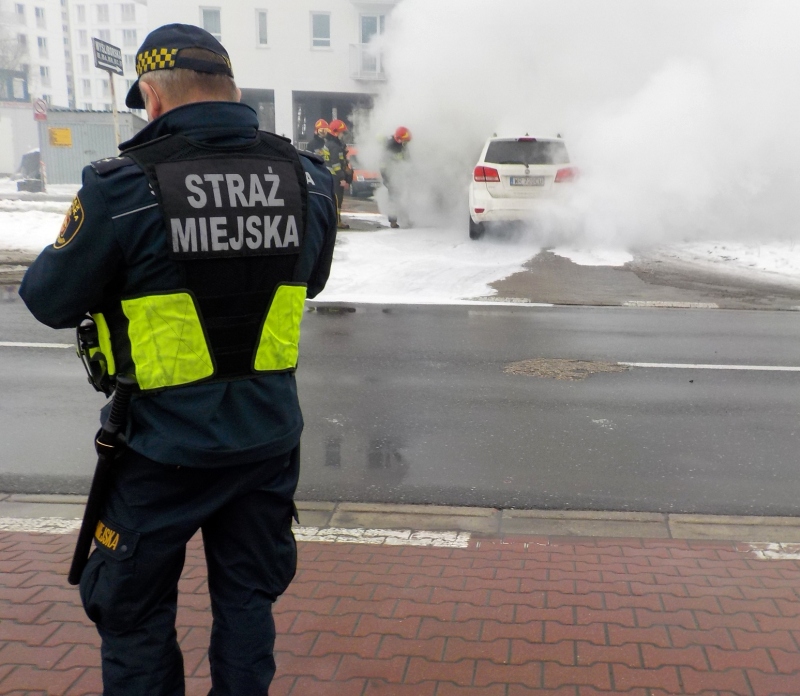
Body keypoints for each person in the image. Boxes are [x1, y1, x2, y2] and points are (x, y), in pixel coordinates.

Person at [18, 23, 337, 696]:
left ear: (153, 97)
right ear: (233, 91)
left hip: (159, 449)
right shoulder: (307, 180)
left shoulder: (122, 188)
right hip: (267, 441)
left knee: (132, 614)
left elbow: (48, 299)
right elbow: (310, 281)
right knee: (248, 605)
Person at [381, 126, 412, 229]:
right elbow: (383, 165)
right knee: (393, 199)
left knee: (403, 197)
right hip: (391, 177)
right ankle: (393, 221)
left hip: (400, 176)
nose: (405, 143)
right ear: (399, 139)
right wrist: (386, 179)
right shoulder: (389, 147)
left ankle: (405, 218)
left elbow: (407, 160)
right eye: (404, 140)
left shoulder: (403, 146)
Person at [324, 120, 349, 229]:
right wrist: (342, 177)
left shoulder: (329, 143)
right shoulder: (334, 146)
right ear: (336, 132)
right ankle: (337, 222)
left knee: (333, 200)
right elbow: (336, 164)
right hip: (335, 176)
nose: (342, 135)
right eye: (341, 132)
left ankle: (334, 221)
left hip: (330, 176)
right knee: (337, 200)